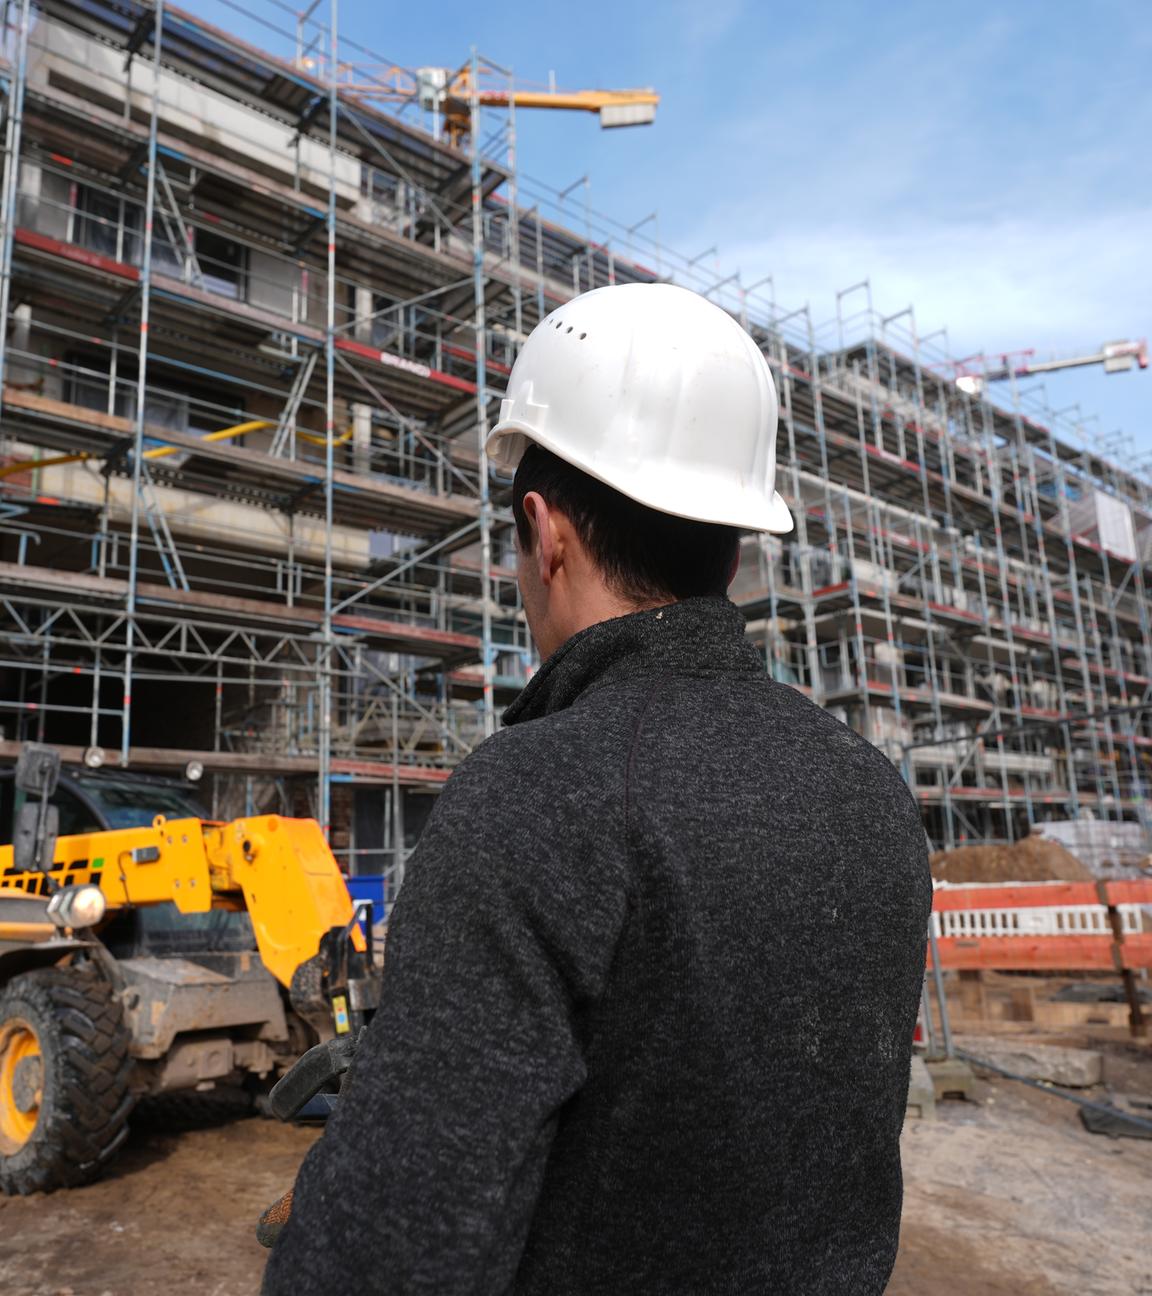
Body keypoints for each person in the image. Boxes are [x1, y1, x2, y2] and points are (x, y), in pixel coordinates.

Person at [261, 283, 932, 1295]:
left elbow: (391, 1253)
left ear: (547, 532)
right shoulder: (871, 794)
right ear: (735, 541)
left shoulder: (538, 797)